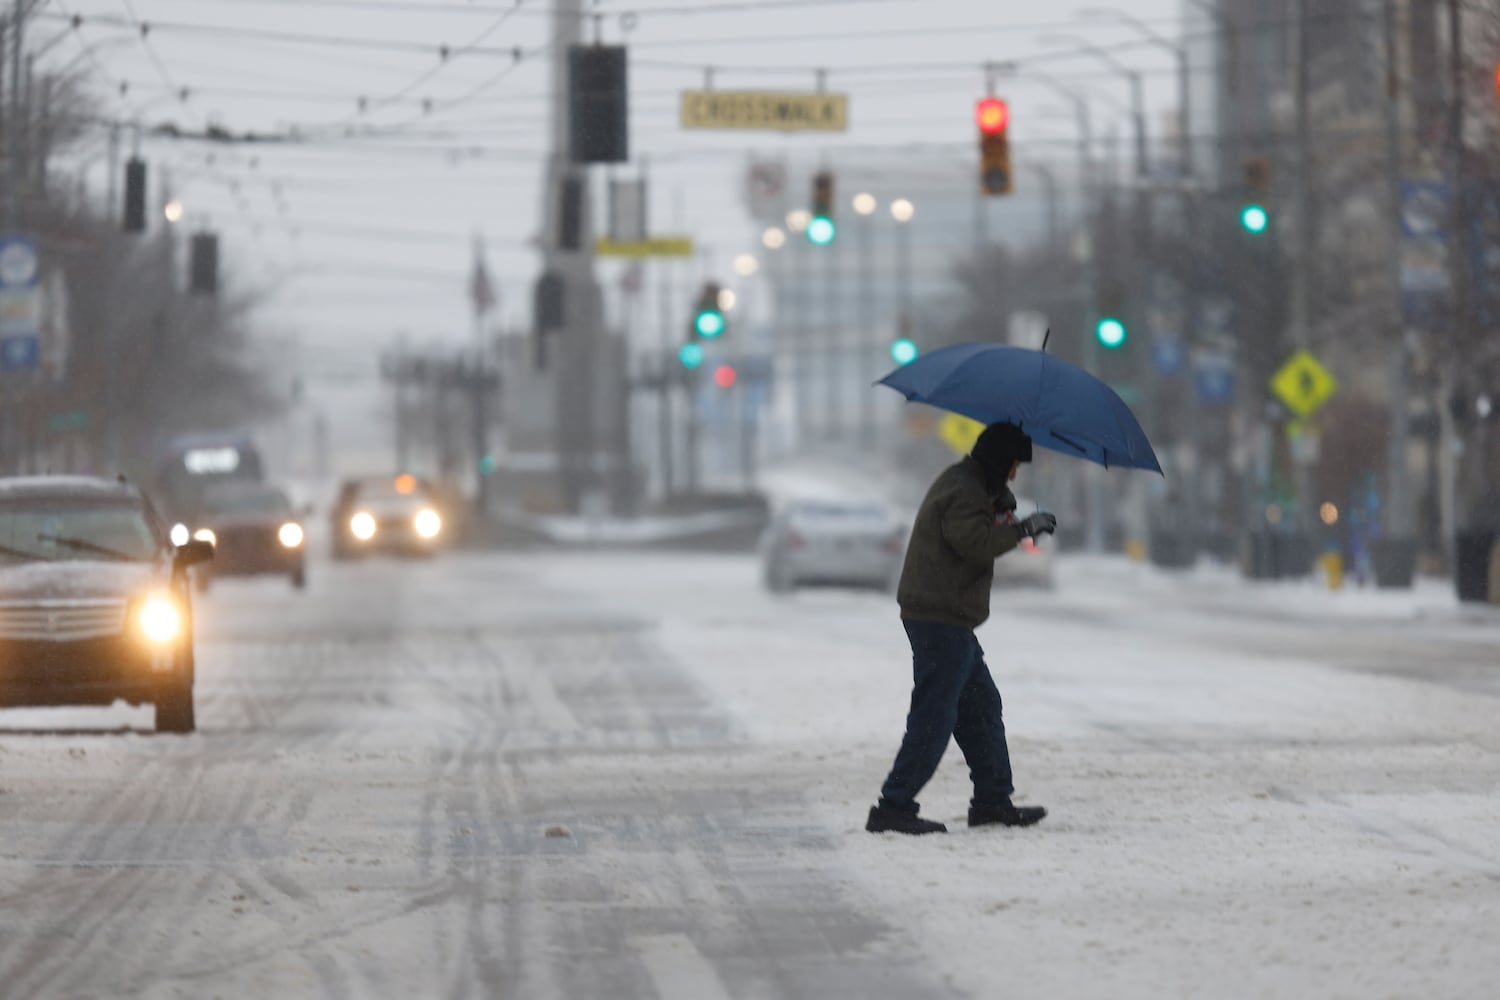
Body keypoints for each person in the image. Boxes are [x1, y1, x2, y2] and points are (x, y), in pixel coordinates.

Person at [866, 422, 1057, 836]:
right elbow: (972, 543)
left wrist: (998, 507)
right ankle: (893, 806)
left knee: (981, 709)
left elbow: (975, 531)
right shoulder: (964, 489)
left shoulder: (972, 486)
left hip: (950, 618)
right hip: (938, 618)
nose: (1014, 476)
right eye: (1012, 467)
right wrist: (1021, 528)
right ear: (997, 461)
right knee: (935, 716)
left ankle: (992, 800)